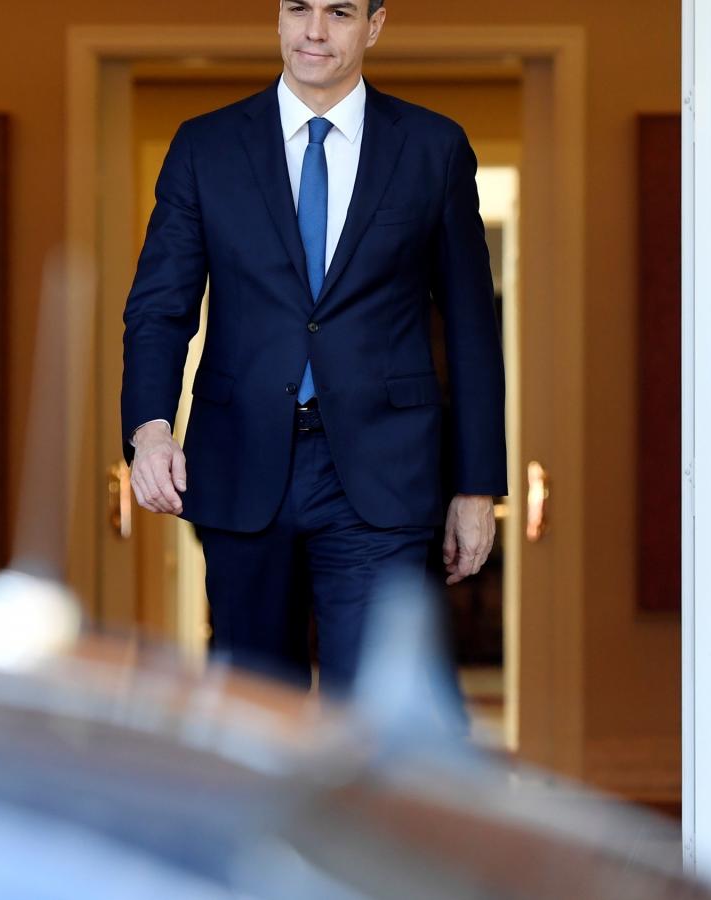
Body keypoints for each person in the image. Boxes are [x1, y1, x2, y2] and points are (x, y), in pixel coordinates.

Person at [121, 0, 506, 697]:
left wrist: (477, 485)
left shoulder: (432, 149)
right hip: (242, 462)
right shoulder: (205, 148)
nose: (315, 31)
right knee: (254, 710)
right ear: (277, 17)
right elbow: (160, 306)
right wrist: (150, 429)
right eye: (298, 8)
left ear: (376, 25)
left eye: (339, 12)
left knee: (374, 713)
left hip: (382, 474)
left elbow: (473, 326)